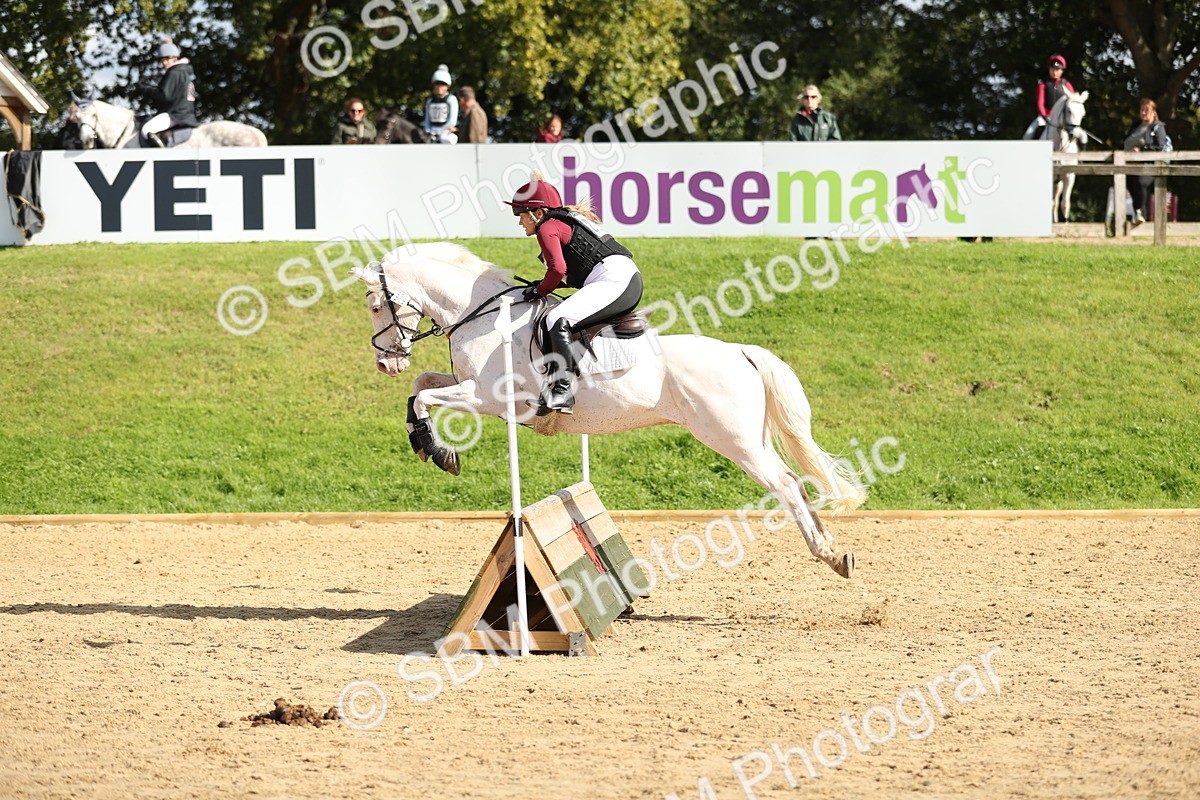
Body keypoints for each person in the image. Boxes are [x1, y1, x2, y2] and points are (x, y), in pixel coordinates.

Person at [505, 173, 643, 415]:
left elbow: (557, 270)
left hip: (616, 280)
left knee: (556, 318)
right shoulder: (559, 222)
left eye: (521, 215)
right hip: (619, 278)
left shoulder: (547, 227)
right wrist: (542, 286)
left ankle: (562, 391)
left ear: (538, 213)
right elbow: (570, 273)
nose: (519, 222)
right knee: (560, 316)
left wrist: (540, 290)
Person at [141, 38, 200, 147]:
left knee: (146, 129)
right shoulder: (185, 72)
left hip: (176, 115)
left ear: (175, 58)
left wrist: (148, 90)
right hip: (187, 114)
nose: (164, 63)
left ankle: (162, 154)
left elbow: (165, 96)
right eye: (163, 60)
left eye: (167, 59)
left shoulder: (173, 73)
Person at [1124, 98, 1170, 226]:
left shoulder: (1158, 127)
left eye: (1146, 110)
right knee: (1131, 186)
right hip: (1130, 165)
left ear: (1153, 112)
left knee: (1141, 182)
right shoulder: (1135, 126)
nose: (1143, 113)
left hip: (1149, 165)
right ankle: (1139, 214)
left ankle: (1141, 214)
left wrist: (1142, 150)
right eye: (1141, 110)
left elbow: (1160, 146)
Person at [1024, 54, 1075, 140]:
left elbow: (1072, 103)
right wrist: (1045, 116)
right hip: (1045, 118)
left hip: (1063, 118)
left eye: (1057, 69)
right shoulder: (1043, 84)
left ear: (1062, 71)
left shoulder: (1067, 85)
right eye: (1052, 69)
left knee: (1081, 136)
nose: (1054, 72)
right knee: (1028, 135)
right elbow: (1040, 103)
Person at [423, 64, 459, 143]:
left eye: (443, 84)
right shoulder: (430, 101)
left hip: (446, 131)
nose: (439, 87)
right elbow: (427, 119)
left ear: (447, 86)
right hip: (432, 131)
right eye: (437, 84)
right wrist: (428, 130)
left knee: (449, 140)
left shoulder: (451, 99)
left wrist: (441, 131)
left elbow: (452, 120)